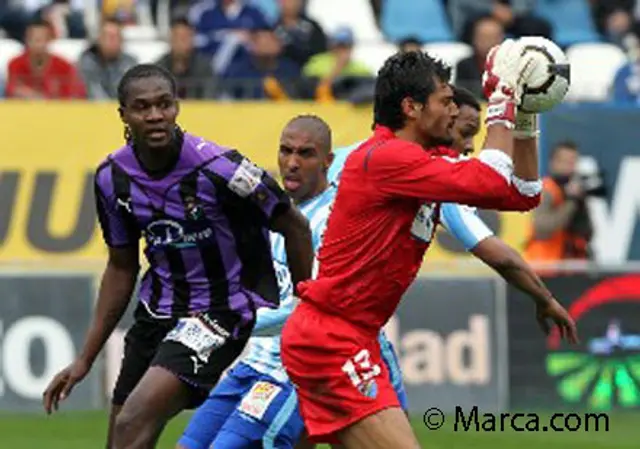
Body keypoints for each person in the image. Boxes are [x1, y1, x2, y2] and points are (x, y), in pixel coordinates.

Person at [280, 44, 579, 448]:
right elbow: (492, 181)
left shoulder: (421, 163)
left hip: (346, 337)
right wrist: (503, 101)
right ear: (411, 107)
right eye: (444, 101)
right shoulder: (386, 158)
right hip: (331, 341)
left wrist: (524, 117)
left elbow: (522, 193)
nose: (454, 111)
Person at [41, 64, 314, 449]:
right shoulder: (111, 178)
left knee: (134, 419)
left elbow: (295, 226)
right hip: (156, 313)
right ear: (123, 115)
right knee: (122, 434)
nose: (155, 115)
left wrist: (307, 310)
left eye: (164, 104)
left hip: (221, 310)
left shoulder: (222, 168)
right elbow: (121, 266)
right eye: (142, 107)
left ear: (176, 107)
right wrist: (85, 359)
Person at [524, 140, 593, 264]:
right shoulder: (547, 189)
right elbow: (542, 228)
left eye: (573, 162)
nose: (569, 167)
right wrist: (570, 202)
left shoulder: (575, 189)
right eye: (564, 161)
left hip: (569, 266)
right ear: (553, 163)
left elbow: (587, 232)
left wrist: (579, 203)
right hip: (545, 265)